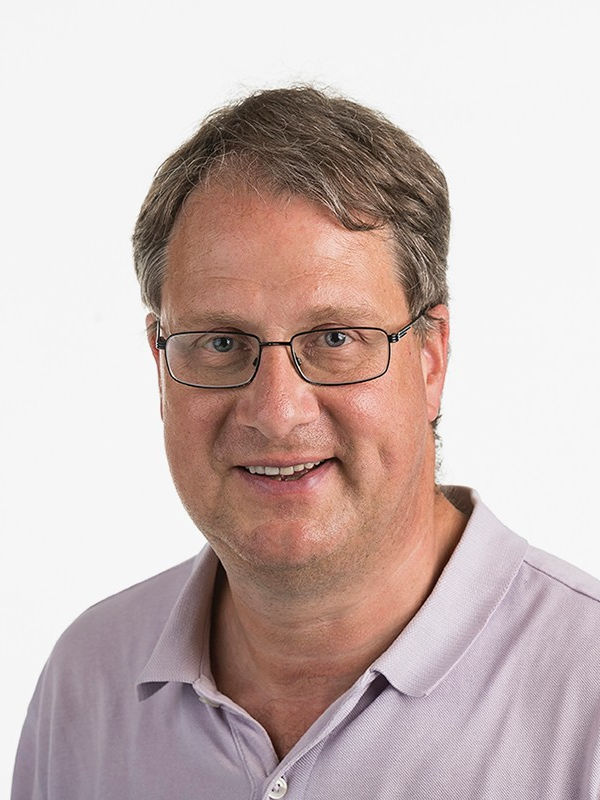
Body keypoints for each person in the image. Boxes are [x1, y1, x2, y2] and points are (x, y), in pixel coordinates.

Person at [12, 86, 600, 800]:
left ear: (430, 358)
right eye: (220, 342)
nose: (277, 412)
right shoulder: (89, 682)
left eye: (336, 338)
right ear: (159, 365)